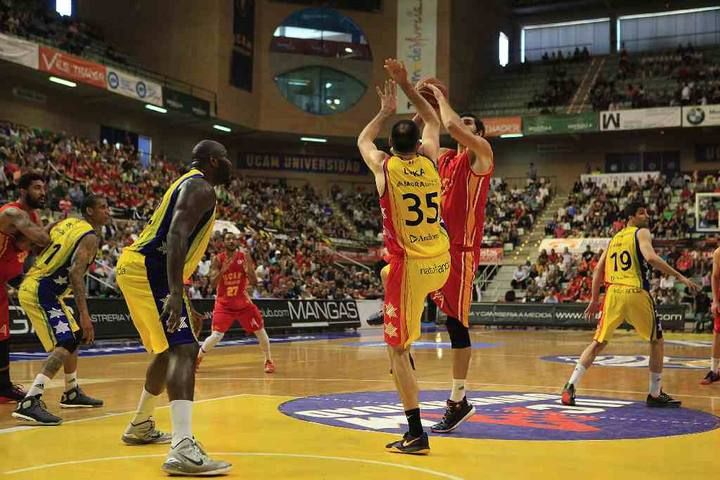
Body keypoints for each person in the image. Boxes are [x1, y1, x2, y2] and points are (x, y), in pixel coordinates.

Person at [116, 140, 232, 475]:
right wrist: (176, 292)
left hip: (142, 268)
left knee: (167, 350)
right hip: (149, 268)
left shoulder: (187, 183)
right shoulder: (200, 187)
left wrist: (184, 297)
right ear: (213, 161)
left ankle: (140, 425)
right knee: (184, 348)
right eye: (225, 159)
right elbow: (177, 236)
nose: (228, 165)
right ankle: (182, 448)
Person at [358, 59, 449, 454]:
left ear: (391, 147)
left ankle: (416, 433)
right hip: (439, 262)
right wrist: (409, 87)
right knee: (387, 274)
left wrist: (383, 111)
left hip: (411, 268)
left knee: (396, 349)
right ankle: (400, 335)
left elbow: (362, 141)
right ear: (419, 144)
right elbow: (433, 121)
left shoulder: (384, 166)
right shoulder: (431, 159)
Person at [561, 202, 700, 407]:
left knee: (598, 343)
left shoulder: (614, 239)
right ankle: (654, 393)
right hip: (635, 291)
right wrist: (680, 276)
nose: (647, 216)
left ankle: (570, 386)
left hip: (613, 294)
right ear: (631, 218)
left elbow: (598, 270)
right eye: (641, 213)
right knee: (657, 341)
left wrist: (593, 299)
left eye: (647, 212)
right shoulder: (641, 232)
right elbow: (651, 258)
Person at [420, 83, 494, 433]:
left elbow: (450, 126)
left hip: (462, 253)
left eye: (469, 124)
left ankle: (458, 399)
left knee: (457, 325)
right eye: (461, 121)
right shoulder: (447, 159)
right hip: (437, 248)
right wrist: (418, 94)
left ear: (477, 133)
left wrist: (442, 96)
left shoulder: (481, 155)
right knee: (394, 271)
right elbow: (432, 124)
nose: (461, 126)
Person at [12, 195, 110, 424]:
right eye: (102, 207)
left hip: (43, 286)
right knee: (66, 341)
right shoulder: (89, 237)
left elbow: (38, 244)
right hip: (41, 290)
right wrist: (84, 314)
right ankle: (30, 401)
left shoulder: (65, 223)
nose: (108, 211)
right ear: (89, 211)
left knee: (73, 337)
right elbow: (75, 274)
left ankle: (71, 391)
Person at [0, 172, 51, 402]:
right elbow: (43, 239)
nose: (43, 193)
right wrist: (60, 227)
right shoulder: (12, 213)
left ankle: (3, 387)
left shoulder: (33, 215)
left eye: (44, 188)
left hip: (2, 283)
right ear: (23, 190)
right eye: (38, 188)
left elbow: (39, 248)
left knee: (3, 337)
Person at [197, 232, 275, 373]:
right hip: (224, 304)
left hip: (243, 304)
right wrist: (222, 271)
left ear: (237, 242)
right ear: (223, 242)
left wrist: (249, 271)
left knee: (260, 331)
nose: (231, 241)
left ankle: (268, 360)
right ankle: (198, 358)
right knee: (216, 336)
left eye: (234, 239)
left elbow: (254, 282)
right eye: (228, 239)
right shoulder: (217, 259)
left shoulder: (244, 257)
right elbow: (212, 285)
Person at [701, 246, 720, 384]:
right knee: (717, 333)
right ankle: (714, 371)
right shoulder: (718, 252)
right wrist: (715, 301)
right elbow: (714, 276)